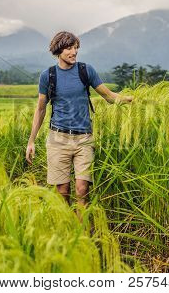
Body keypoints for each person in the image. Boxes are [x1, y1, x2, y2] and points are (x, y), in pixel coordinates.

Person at [25, 31, 133, 212]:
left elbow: (109, 96)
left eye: (76, 48)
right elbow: (41, 109)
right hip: (58, 139)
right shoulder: (48, 76)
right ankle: (68, 233)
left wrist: (133, 99)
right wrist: (31, 141)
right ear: (58, 51)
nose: (74, 52)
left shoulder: (86, 70)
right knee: (63, 192)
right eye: (69, 48)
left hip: (84, 139)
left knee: (83, 190)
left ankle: (82, 235)